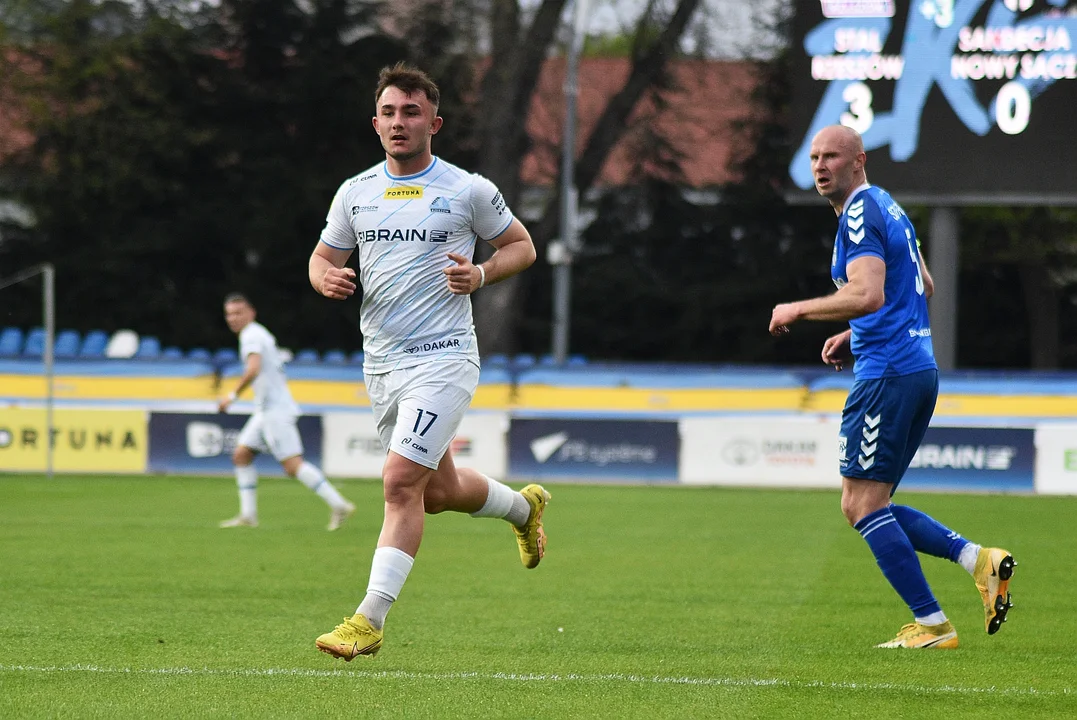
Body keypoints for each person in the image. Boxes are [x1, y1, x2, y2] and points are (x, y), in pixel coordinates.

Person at [307, 62, 548, 660]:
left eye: (411, 112)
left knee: (397, 483)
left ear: (433, 123)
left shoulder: (467, 189)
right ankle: (524, 508)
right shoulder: (356, 192)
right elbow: (319, 258)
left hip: (443, 358)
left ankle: (369, 619)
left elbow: (523, 246)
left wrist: (483, 272)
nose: (399, 122)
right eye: (389, 112)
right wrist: (327, 280)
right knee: (435, 493)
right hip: (382, 364)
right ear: (375, 122)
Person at [768, 124, 1015, 649]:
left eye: (831, 156)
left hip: (888, 375)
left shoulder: (858, 213)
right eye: (813, 157)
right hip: (916, 370)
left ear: (859, 160)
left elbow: (869, 292)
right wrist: (853, 334)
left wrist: (800, 309)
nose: (820, 166)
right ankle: (980, 561)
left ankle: (932, 626)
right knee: (870, 503)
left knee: (860, 505)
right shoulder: (890, 207)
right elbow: (920, 284)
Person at [217, 292, 356, 531]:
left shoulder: (251, 335)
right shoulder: (258, 333)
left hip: (275, 411)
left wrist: (231, 395)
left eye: (238, 312)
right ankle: (248, 515)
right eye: (229, 314)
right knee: (241, 455)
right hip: (265, 410)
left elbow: (253, 369)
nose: (233, 318)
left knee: (292, 465)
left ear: (251, 312)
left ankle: (339, 504)